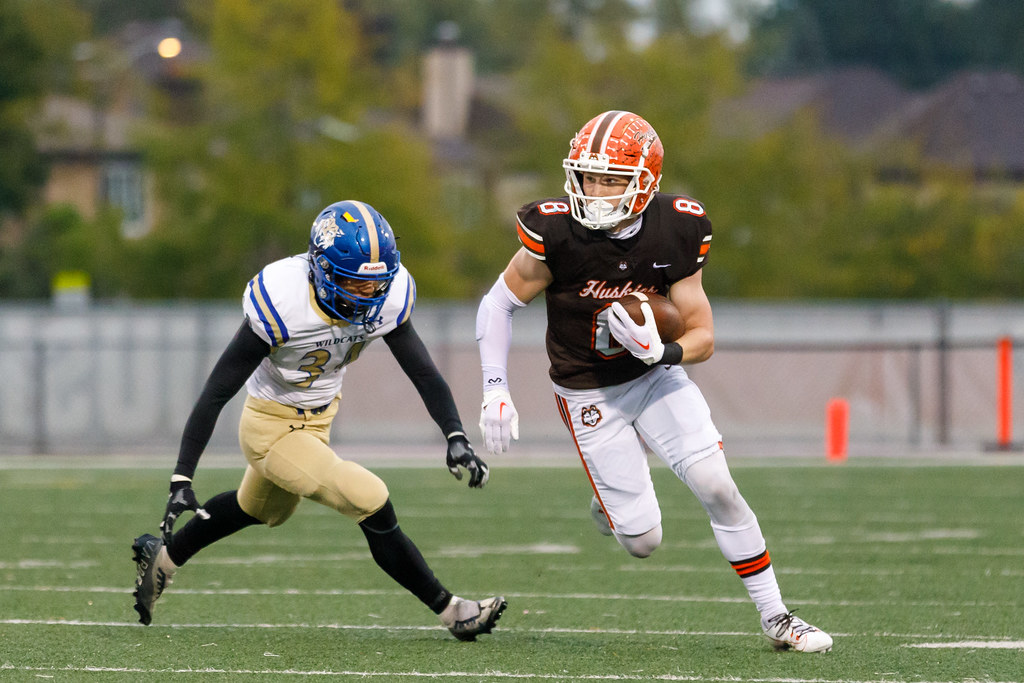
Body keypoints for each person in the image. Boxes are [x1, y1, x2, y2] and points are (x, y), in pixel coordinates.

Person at [475, 111, 832, 653]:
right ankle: (609, 499)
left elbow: (704, 335)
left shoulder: (677, 229)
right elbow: (497, 303)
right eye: (587, 177)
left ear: (645, 182)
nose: (593, 191)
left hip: (656, 377)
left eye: (610, 179)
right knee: (643, 542)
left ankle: (778, 617)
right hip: (588, 390)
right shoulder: (558, 232)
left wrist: (664, 351)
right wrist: (496, 388)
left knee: (718, 487)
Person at [132, 199, 506, 641]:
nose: (369, 295)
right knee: (368, 496)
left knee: (258, 510)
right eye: (355, 283)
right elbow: (217, 390)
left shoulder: (387, 297)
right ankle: (452, 611)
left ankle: (163, 559)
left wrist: (455, 434)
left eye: (376, 284)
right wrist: (181, 477)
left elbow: (422, 370)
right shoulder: (283, 300)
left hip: (320, 418)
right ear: (322, 271)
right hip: (270, 427)